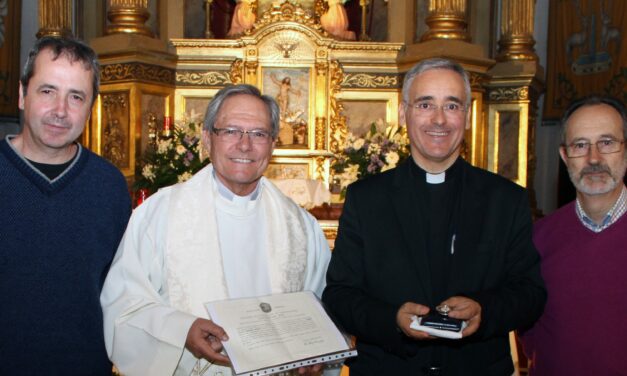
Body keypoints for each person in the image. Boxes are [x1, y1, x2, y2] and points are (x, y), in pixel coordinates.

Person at [321, 58, 546, 375]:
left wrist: (484, 310)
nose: (439, 119)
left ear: (467, 116)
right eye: (425, 104)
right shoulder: (366, 199)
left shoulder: (506, 199)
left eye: (452, 106)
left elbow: (529, 292)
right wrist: (393, 319)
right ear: (403, 113)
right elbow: (340, 294)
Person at [101, 84, 332, 375]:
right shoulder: (159, 214)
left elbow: (322, 310)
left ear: (273, 145)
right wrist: (182, 330)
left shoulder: (300, 226)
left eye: (258, 134)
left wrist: (314, 352)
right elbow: (124, 305)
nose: (244, 145)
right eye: (231, 131)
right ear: (208, 139)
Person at [0, 37, 131, 374]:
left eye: (76, 97)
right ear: (21, 94)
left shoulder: (109, 186)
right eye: (47, 91)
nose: (61, 110)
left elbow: (124, 291)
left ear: (91, 107)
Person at [520, 96, 627, 374]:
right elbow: (527, 329)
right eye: (580, 145)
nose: (594, 158)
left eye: (607, 143)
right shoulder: (538, 238)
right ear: (565, 155)